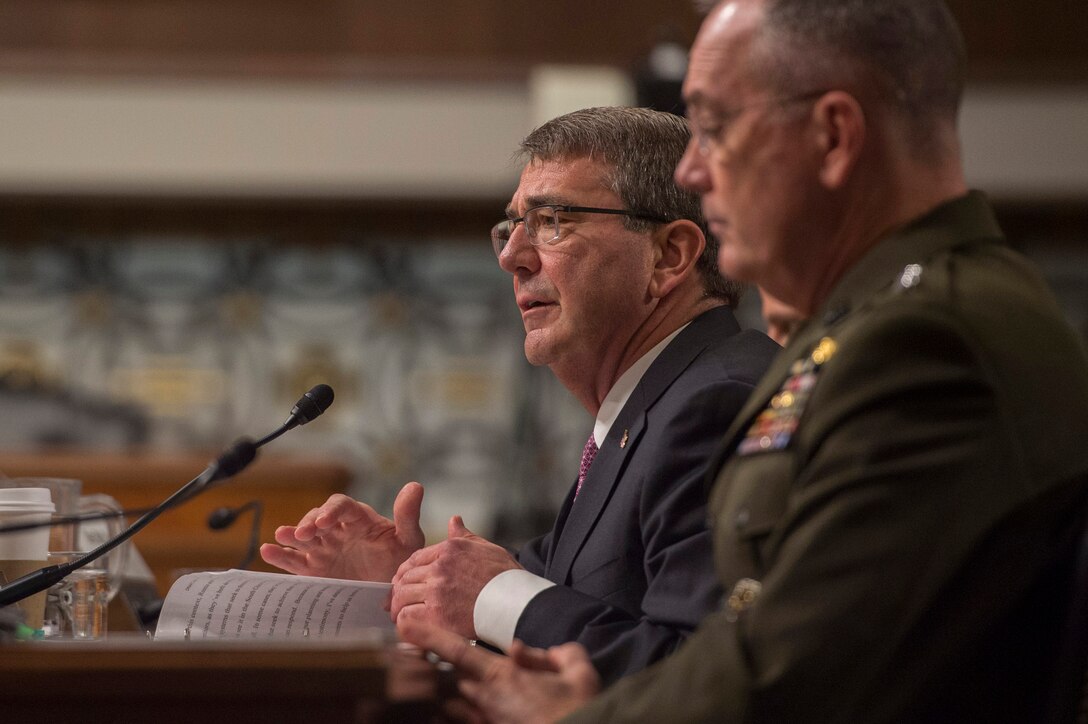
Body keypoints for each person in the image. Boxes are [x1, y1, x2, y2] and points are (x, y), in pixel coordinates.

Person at [401, 1, 1088, 722]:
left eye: (716, 129)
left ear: (831, 136)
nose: (694, 173)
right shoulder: (884, 325)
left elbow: (788, 680)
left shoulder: (928, 342)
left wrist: (574, 718)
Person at [261, 106, 780, 684]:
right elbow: (561, 598)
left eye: (553, 220)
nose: (512, 256)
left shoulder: (718, 404)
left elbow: (703, 675)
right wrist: (408, 581)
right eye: (511, 228)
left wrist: (492, 594)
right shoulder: (649, 409)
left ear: (669, 256)